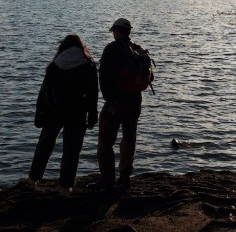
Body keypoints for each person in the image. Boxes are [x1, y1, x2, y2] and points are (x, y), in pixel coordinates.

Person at [28, 34, 99, 191]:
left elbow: (44, 92)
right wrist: (93, 115)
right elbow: (93, 93)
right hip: (77, 112)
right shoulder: (88, 65)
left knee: (45, 144)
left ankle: (33, 178)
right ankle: (65, 186)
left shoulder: (55, 65)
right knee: (72, 149)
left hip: (54, 111)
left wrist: (40, 113)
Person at [94, 17, 147, 191]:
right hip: (135, 100)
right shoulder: (138, 49)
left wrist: (109, 99)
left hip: (116, 102)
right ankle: (125, 177)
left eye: (114, 30)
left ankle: (108, 179)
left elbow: (103, 76)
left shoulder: (112, 48)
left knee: (106, 141)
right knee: (129, 139)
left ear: (117, 30)